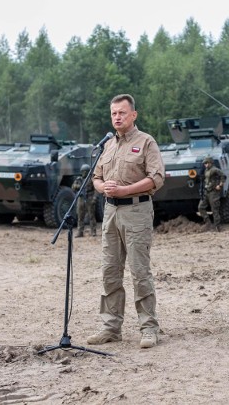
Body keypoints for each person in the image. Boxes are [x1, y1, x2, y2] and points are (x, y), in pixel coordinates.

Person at [87, 94, 165, 349]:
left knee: (139, 271)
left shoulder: (146, 142)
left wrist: (125, 190)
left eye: (122, 113)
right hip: (110, 212)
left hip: (136, 211)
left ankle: (149, 328)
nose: (117, 117)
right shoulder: (108, 145)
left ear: (133, 115)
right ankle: (111, 327)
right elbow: (96, 177)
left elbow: (157, 178)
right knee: (110, 271)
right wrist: (103, 188)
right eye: (113, 114)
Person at [198, 156, 225, 231]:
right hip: (207, 191)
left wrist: (220, 185)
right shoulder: (206, 170)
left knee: (214, 210)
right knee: (200, 207)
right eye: (204, 163)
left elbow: (223, 176)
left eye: (206, 163)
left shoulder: (215, 170)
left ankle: (217, 227)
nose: (205, 165)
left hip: (213, 192)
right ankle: (208, 223)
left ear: (210, 163)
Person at [72, 164, 97, 237]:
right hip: (81, 198)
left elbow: (96, 189)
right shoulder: (79, 179)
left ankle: (93, 231)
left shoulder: (92, 179)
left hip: (89, 197)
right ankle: (80, 231)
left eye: (85, 171)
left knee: (91, 215)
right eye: (83, 171)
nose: (84, 173)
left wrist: (94, 198)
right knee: (80, 216)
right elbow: (73, 187)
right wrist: (77, 186)